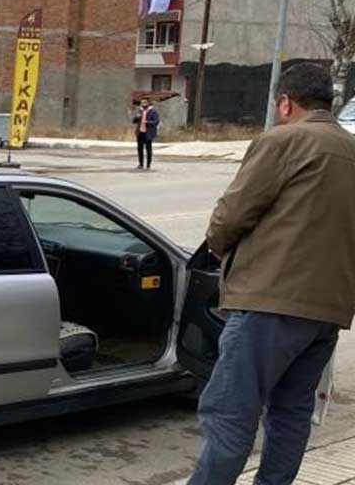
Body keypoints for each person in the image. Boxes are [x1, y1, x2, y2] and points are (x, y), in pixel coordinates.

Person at [188, 63, 355, 485]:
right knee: (291, 415)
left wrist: (219, 249)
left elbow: (232, 214)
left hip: (267, 303)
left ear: (285, 102)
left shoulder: (284, 140)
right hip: (327, 312)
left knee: (230, 416)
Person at [133, 97, 160, 170]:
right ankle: (141, 164)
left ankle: (148, 165)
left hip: (148, 133)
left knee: (148, 149)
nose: (143, 104)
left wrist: (147, 122)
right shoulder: (140, 111)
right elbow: (134, 121)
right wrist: (136, 117)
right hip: (140, 133)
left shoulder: (153, 111)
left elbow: (156, 122)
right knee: (140, 149)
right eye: (142, 103)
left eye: (144, 102)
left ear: (148, 103)